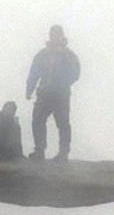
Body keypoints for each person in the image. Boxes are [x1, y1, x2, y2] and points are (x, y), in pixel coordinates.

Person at [26, 25, 80, 162]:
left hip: (61, 94)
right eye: (52, 34)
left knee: (63, 123)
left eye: (57, 34)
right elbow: (34, 72)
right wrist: (29, 89)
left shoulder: (69, 55)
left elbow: (75, 73)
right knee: (38, 120)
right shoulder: (43, 54)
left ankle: (63, 154)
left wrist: (63, 84)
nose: (54, 36)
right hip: (44, 93)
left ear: (62, 35)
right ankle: (39, 151)